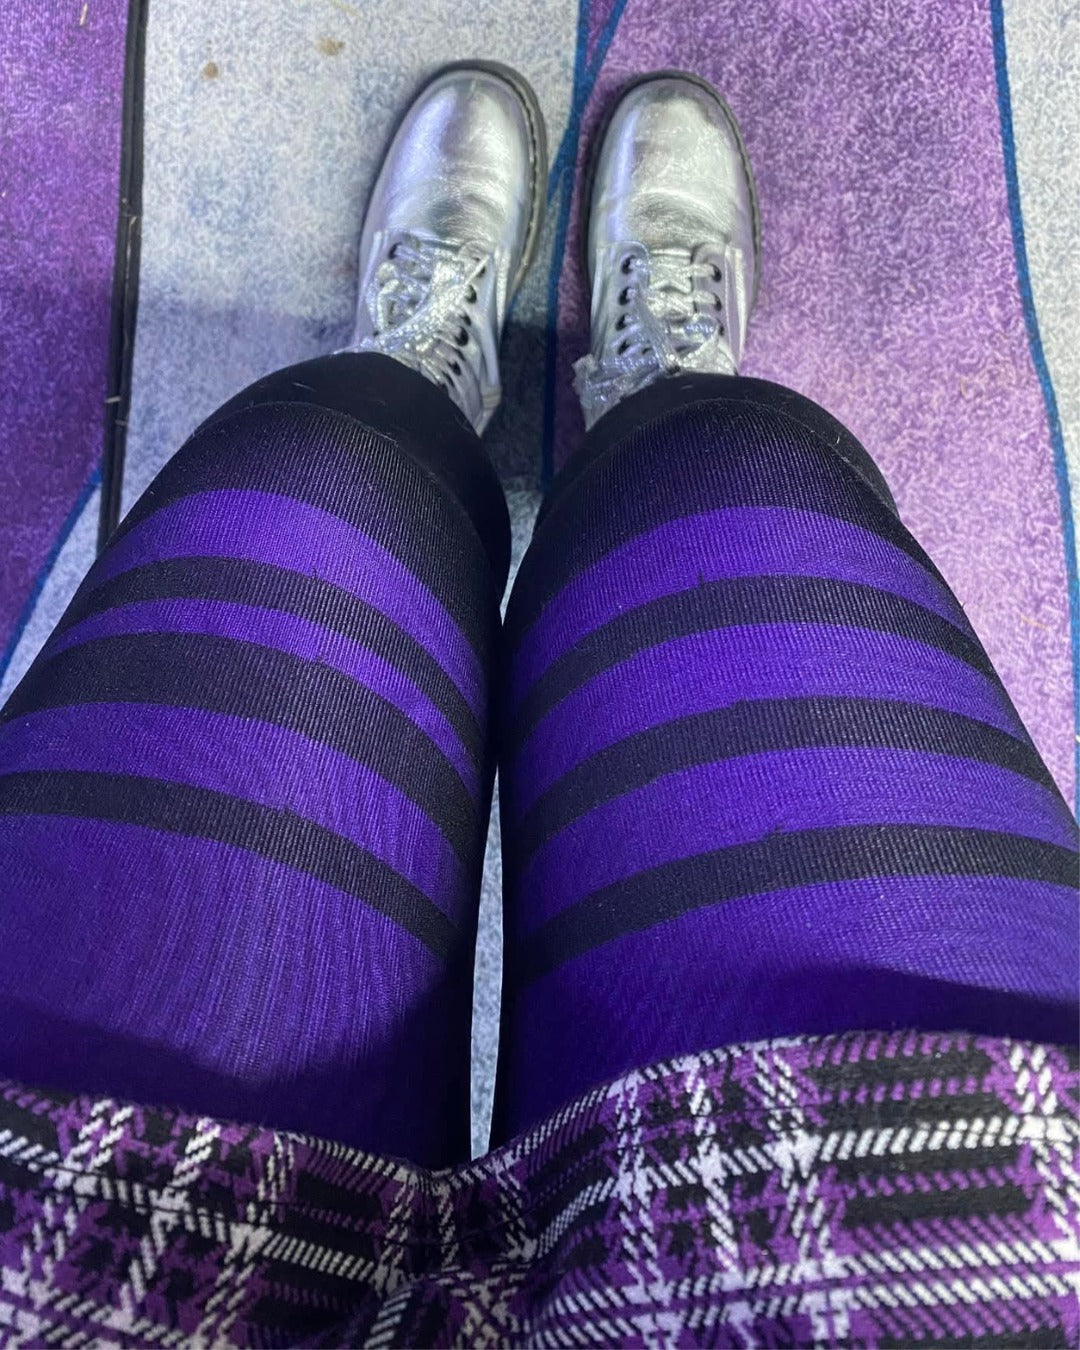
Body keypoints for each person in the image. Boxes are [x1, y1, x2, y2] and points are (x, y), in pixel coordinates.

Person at [0, 63, 1075, 1345]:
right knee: (729, 472)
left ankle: (414, 369)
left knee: (322, 464)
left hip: (90, 1253)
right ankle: (660, 388)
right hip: (924, 1240)